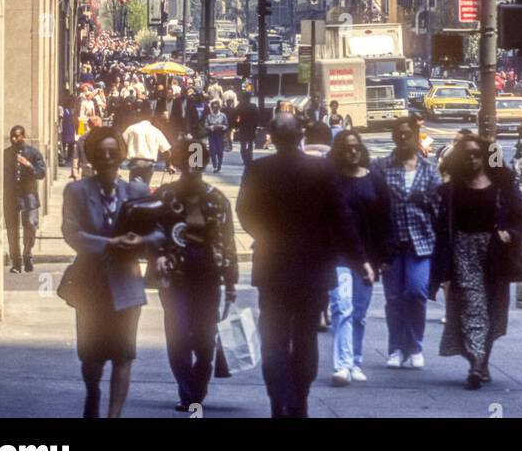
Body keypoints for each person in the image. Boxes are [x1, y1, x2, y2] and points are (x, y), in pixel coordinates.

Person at [236, 112, 361, 418]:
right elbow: (340, 215)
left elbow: (244, 211)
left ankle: (279, 399)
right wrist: (357, 256)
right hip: (313, 266)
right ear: (299, 137)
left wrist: (263, 235)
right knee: (305, 335)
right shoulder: (322, 169)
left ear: (273, 139)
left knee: (275, 336)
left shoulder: (257, 169)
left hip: (273, 264)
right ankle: (299, 399)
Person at [61, 128, 163, 418]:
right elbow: (72, 234)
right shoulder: (77, 191)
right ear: (93, 157)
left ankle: (113, 415)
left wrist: (141, 242)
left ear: (121, 156)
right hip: (91, 285)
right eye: (102, 154)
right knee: (91, 358)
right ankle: (92, 392)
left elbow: (160, 232)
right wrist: (108, 243)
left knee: (123, 355)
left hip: (127, 286)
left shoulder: (137, 191)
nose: (108, 159)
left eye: (113, 153)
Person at [430, 134, 522, 388]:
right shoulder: (450, 190)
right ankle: (476, 364)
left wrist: (510, 233)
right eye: (466, 154)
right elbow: (440, 225)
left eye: (476, 153)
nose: (472, 158)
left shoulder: (503, 186)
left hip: (495, 253)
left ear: (485, 155)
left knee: (494, 307)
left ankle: (482, 359)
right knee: (473, 304)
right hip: (463, 252)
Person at [153, 135, 239, 411]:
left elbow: (227, 241)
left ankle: (197, 387)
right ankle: (188, 391)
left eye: (196, 164)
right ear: (179, 164)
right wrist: (157, 257)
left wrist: (231, 280)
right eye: (187, 164)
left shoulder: (218, 200)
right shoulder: (164, 198)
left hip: (208, 273)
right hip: (175, 274)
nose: (191, 170)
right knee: (177, 332)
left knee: (204, 337)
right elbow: (151, 233)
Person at [373, 114, 442, 369]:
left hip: (421, 243)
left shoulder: (429, 169)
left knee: (415, 292)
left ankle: (414, 346)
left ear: (416, 137)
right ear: (394, 137)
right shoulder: (381, 167)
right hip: (391, 244)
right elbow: (374, 204)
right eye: (399, 134)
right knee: (394, 298)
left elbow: (439, 208)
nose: (403, 138)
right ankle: (395, 349)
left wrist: (426, 203)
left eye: (408, 134)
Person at [329, 129, 392, 385]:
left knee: (359, 313)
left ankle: (355, 360)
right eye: (347, 147)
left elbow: (386, 219)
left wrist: (384, 255)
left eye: (356, 147)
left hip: (368, 256)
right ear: (339, 152)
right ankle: (342, 365)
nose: (352, 151)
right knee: (342, 307)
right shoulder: (332, 181)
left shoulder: (375, 180)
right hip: (339, 256)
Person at [3, 126, 47, 273]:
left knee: (30, 225)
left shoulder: (33, 153)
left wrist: (28, 165)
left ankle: (27, 253)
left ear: (23, 136)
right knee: (12, 231)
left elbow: (41, 173)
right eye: (12, 137)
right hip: (11, 197)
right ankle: (16, 262)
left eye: (17, 136)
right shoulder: (6, 154)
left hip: (29, 196)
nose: (14, 139)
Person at [121, 102, 172, 186]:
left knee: (133, 188)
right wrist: (169, 165)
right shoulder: (156, 131)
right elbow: (167, 151)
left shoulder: (132, 128)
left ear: (139, 115)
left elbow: (121, 144)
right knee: (145, 187)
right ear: (151, 116)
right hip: (149, 164)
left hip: (135, 162)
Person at [204, 97, 229, 173]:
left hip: (220, 135)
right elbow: (205, 124)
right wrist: (211, 127)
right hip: (212, 134)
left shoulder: (223, 116)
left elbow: (226, 125)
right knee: (213, 151)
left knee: (220, 151)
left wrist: (222, 127)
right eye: (213, 107)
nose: (215, 108)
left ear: (219, 107)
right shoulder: (209, 116)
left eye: (216, 107)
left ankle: (219, 165)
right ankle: (214, 166)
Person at [236, 93, 260, 168]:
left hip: (243, 127)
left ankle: (244, 159)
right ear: (249, 98)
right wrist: (256, 127)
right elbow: (257, 117)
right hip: (251, 128)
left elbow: (235, 115)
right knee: (250, 144)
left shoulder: (240, 106)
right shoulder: (253, 106)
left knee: (243, 144)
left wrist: (236, 125)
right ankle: (249, 158)